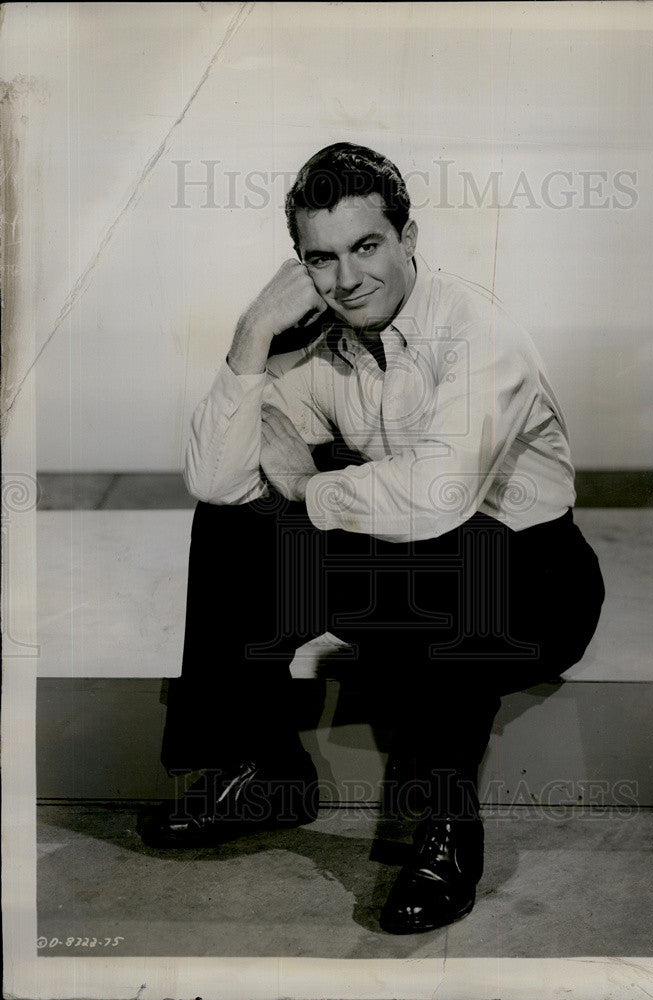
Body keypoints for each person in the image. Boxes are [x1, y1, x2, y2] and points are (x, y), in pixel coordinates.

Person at [137, 142, 605, 935]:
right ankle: (263, 772)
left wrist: (306, 483)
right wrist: (250, 338)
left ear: (408, 238)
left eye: (366, 247)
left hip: (532, 582)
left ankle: (445, 824)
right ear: (299, 268)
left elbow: (437, 497)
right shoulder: (323, 342)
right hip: (412, 563)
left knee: (452, 554)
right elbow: (217, 482)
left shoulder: (475, 330)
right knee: (230, 526)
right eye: (321, 259)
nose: (347, 278)